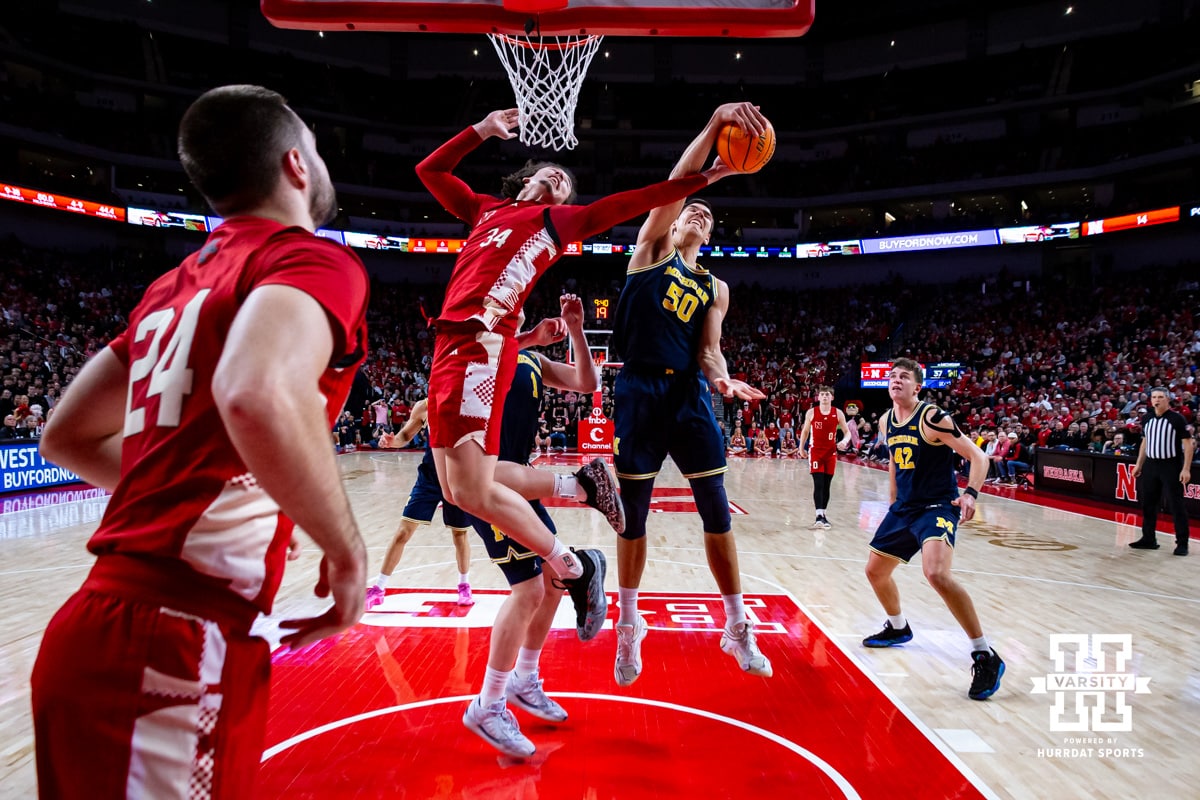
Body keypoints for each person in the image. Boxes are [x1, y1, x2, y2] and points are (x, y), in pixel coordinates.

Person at [31, 85, 369, 798]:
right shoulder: (309, 260)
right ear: (296, 165)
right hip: (176, 644)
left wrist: (197, 482)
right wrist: (345, 552)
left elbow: (64, 436)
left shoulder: (172, 286)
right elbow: (254, 393)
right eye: (314, 146)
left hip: (94, 629)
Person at [416, 107, 736, 638]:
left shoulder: (554, 222)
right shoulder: (483, 210)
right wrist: (481, 131)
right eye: (554, 175)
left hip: (484, 346)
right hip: (447, 346)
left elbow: (630, 203)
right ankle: (578, 494)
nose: (563, 182)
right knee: (456, 492)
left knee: (472, 490)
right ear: (526, 178)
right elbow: (429, 172)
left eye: (567, 186)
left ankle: (575, 549)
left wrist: (705, 179)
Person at [610, 102, 774, 687]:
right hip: (637, 389)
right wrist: (711, 130)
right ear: (672, 223)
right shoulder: (649, 253)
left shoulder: (716, 286)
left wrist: (722, 378)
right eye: (688, 212)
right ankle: (629, 626)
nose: (696, 214)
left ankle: (736, 626)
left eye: (706, 213)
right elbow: (677, 187)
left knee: (716, 511)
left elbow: (709, 349)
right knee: (632, 517)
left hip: (687, 397)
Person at [462, 294, 602, 758]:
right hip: (487, 480)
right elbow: (492, 356)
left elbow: (587, 381)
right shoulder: (478, 351)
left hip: (518, 481)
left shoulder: (533, 359)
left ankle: (523, 680)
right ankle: (489, 702)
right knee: (527, 591)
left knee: (551, 582)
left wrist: (576, 330)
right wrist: (525, 337)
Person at [861, 358, 1005, 701]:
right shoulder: (885, 420)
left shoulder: (932, 417)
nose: (896, 381)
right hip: (905, 508)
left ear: (917, 387)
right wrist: (893, 501)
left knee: (936, 573)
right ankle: (898, 628)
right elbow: (897, 460)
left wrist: (970, 493)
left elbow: (978, 457)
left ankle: (984, 654)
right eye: (892, 376)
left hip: (937, 506)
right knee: (875, 571)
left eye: (904, 377)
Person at [365, 398, 476, 610]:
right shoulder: (424, 406)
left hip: (457, 476)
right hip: (429, 477)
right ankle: (379, 588)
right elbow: (405, 435)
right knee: (403, 532)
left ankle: (464, 584)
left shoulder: (465, 402)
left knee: (459, 534)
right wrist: (392, 441)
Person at [1128, 386, 1193, 556]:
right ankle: (1148, 538)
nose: (1156, 400)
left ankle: (1182, 543)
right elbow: (1145, 442)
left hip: (1170, 465)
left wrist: (1186, 469)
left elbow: (1188, 444)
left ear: (1168, 399)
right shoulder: (1147, 418)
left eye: (1160, 397)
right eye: (1154, 397)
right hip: (1151, 464)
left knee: (1176, 504)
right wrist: (1139, 464)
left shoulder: (1177, 419)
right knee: (1148, 503)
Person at [797, 386, 853, 529]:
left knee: (827, 485)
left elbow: (848, 432)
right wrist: (801, 448)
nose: (824, 397)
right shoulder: (811, 412)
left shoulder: (838, 413)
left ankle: (824, 515)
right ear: (818, 397)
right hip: (815, 452)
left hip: (831, 453)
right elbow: (805, 431)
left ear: (832, 397)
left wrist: (844, 442)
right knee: (819, 483)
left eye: (827, 394)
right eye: (822, 394)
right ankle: (818, 516)